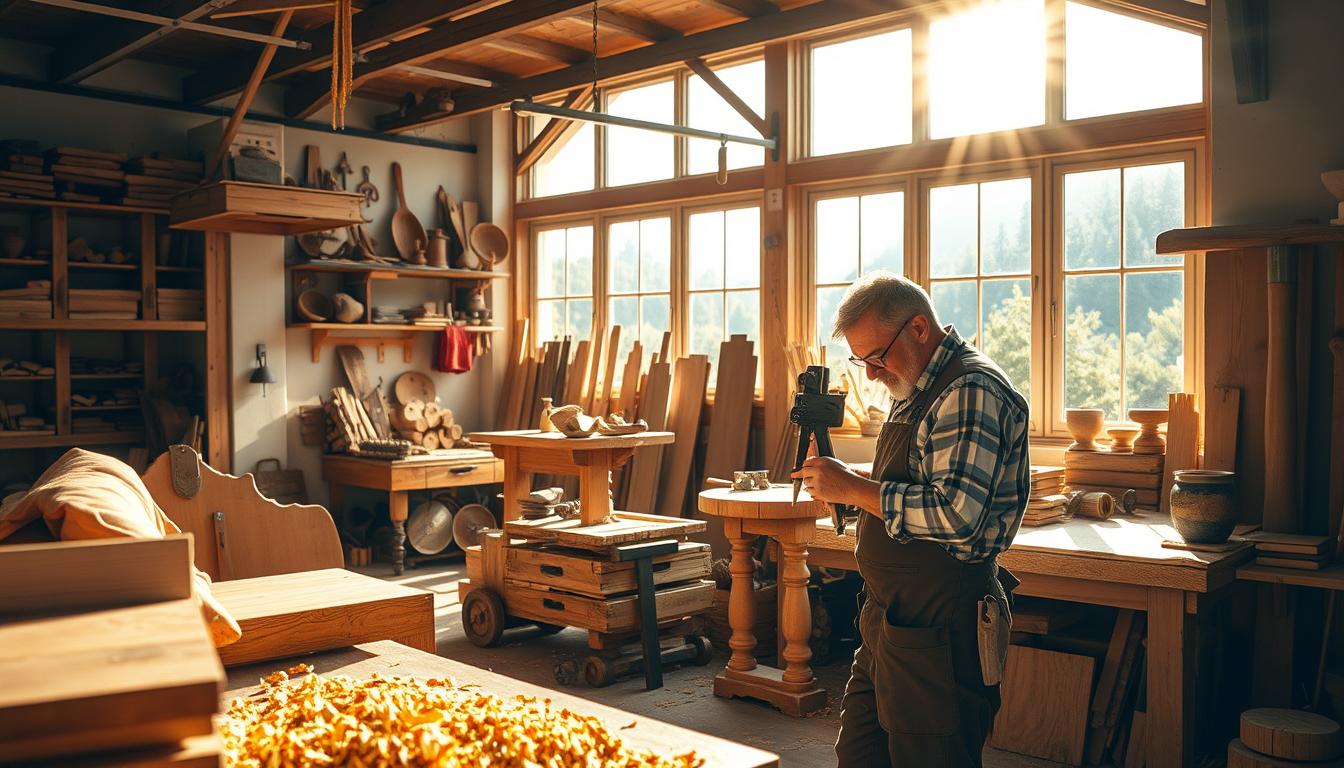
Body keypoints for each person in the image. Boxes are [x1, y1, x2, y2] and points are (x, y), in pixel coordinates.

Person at [791, 272, 1030, 767]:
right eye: (863, 363)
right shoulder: (915, 386)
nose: (873, 375)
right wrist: (843, 481)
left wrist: (855, 488)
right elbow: (917, 483)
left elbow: (957, 514)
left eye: (878, 357)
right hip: (889, 619)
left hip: (942, 622)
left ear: (919, 327)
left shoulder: (969, 389)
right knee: (860, 755)